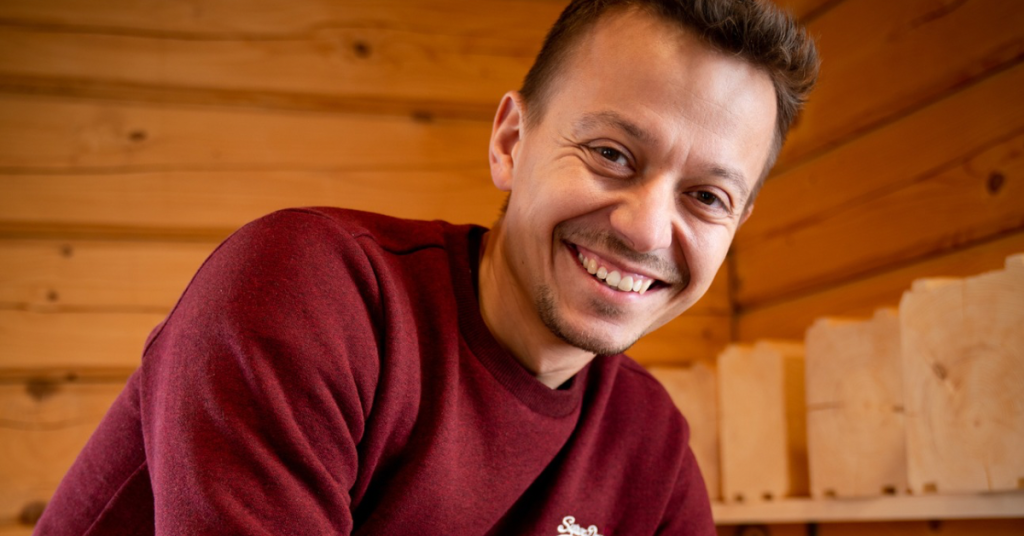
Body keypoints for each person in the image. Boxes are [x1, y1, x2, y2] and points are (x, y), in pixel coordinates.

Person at [36, 0, 817, 534]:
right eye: (612, 154)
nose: (647, 227)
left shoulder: (650, 448)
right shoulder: (305, 291)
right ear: (511, 143)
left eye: (707, 197)